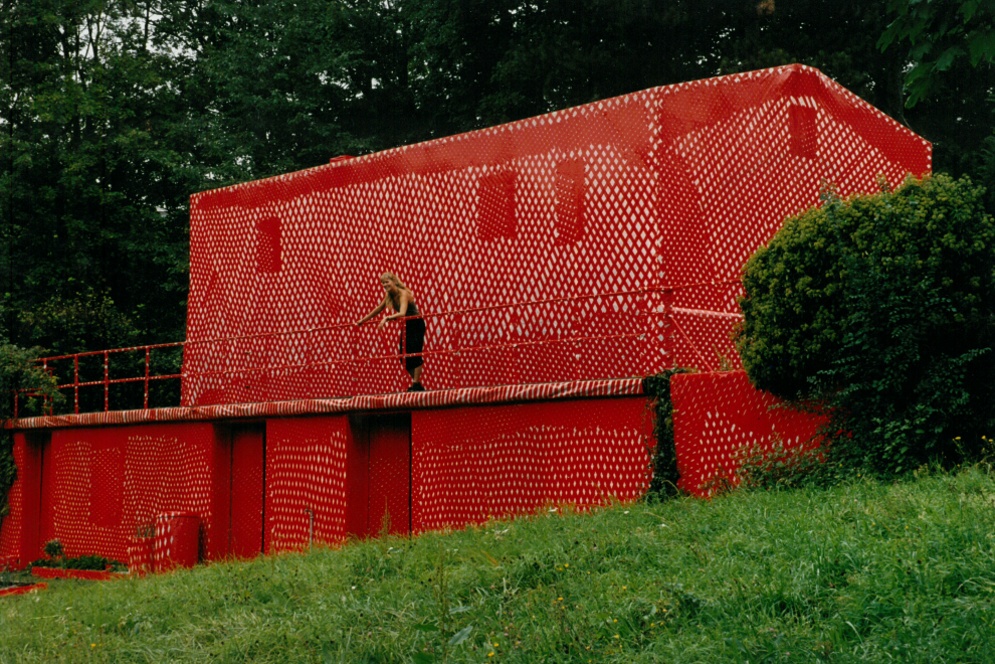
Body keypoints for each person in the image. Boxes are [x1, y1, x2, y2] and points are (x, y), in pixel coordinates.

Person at [355, 272, 426, 391]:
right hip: (407, 325)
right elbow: (379, 308)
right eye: (383, 283)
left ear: (394, 281)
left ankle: (416, 384)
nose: (384, 285)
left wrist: (387, 318)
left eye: (386, 282)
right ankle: (416, 383)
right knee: (403, 357)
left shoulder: (403, 294)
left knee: (415, 353)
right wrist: (362, 320)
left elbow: (402, 313)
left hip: (416, 323)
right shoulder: (389, 295)